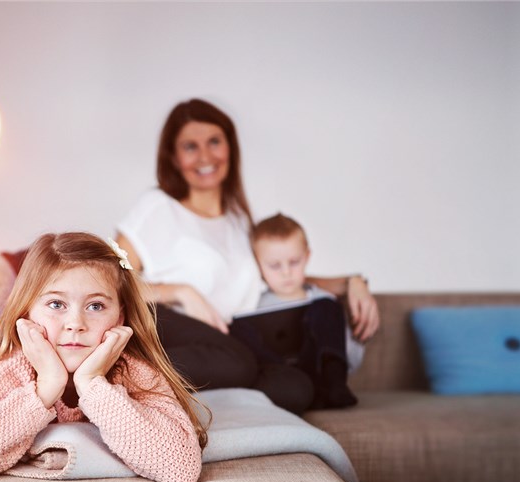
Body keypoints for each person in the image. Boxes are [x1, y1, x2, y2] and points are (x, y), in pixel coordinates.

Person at [115, 97, 380, 414]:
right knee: (237, 363)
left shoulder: (239, 220)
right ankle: (119, 373)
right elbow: (109, 280)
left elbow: (280, 276)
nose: (205, 156)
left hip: (231, 340)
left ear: (230, 148)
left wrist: (352, 282)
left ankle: (190, 384)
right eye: (190, 146)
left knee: (295, 389)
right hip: (170, 326)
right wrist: (181, 292)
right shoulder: (157, 208)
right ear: (172, 156)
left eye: (214, 142)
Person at [0, 232, 208, 482]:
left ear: (119, 317)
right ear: (27, 313)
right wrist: (47, 387)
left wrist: (92, 384)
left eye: (96, 306)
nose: (76, 323)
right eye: (56, 304)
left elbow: (180, 468)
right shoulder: (13, 371)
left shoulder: (134, 372)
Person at [231, 212, 358, 409]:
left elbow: (353, 356)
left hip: (322, 372)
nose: (286, 272)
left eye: (294, 262)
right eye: (274, 265)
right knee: (239, 325)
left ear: (307, 257)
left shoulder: (323, 301)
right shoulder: (253, 304)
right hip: (282, 377)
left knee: (326, 306)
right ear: (258, 265)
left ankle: (334, 384)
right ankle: (305, 390)